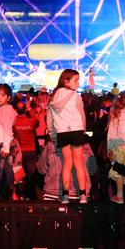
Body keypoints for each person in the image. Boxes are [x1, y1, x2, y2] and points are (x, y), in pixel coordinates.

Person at [48, 69, 89, 204]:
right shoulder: (76, 96)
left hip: (62, 132)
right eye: (76, 80)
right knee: (79, 163)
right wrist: (84, 130)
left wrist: (50, 132)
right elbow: (82, 115)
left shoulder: (54, 96)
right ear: (66, 81)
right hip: (77, 130)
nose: (78, 83)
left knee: (67, 163)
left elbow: (50, 118)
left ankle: (65, 195)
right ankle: (82, 195)